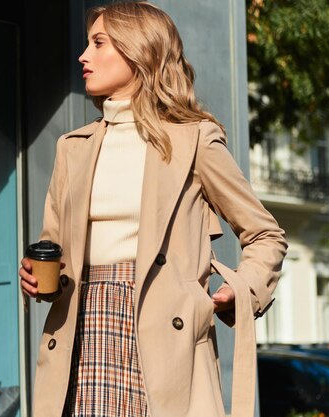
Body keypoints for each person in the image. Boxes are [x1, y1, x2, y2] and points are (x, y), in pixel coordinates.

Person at [19, 2, 287, 417]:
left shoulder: (193, 139)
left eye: (98, 43)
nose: (83, 56)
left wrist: (243, 288)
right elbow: (55, 249)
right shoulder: (73, 148)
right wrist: (37, 278)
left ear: (138, 49)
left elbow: (265, 234)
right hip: (82, 332)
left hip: (165, 336)